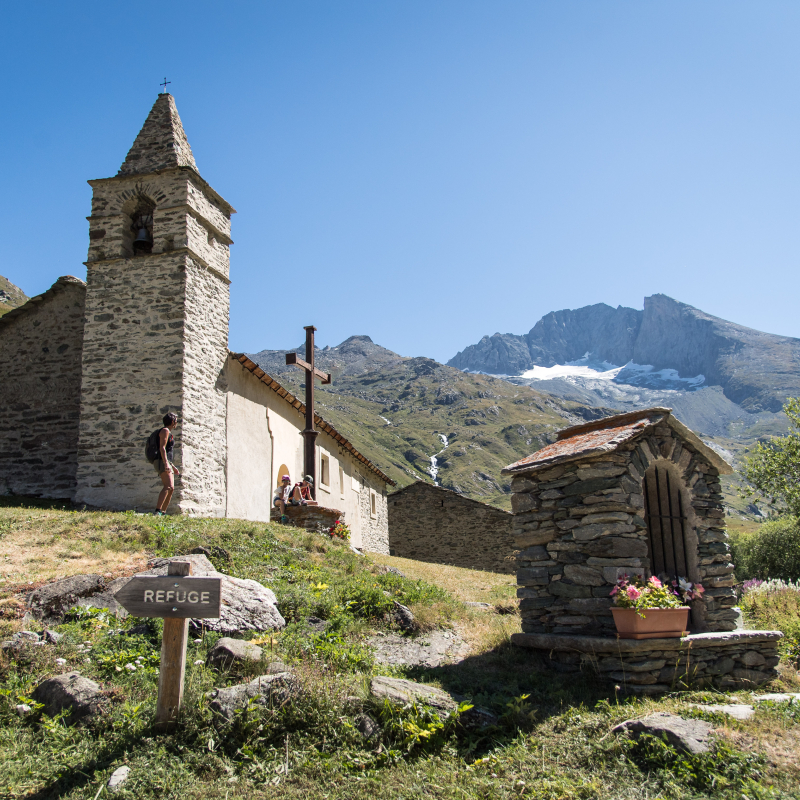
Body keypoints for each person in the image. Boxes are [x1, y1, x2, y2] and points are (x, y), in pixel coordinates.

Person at [154, 412, 180, 516]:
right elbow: (162, 448)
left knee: (171, 487)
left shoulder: (168, 431)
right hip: (162, 461)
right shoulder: (165, 431)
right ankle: (157, 511)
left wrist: (173, 466)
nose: (177, 423)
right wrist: (165, 464)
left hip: (166, 462)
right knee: (168, 486)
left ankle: (163, 512)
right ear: (173, 421)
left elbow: (168, 451)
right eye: (176, 421)